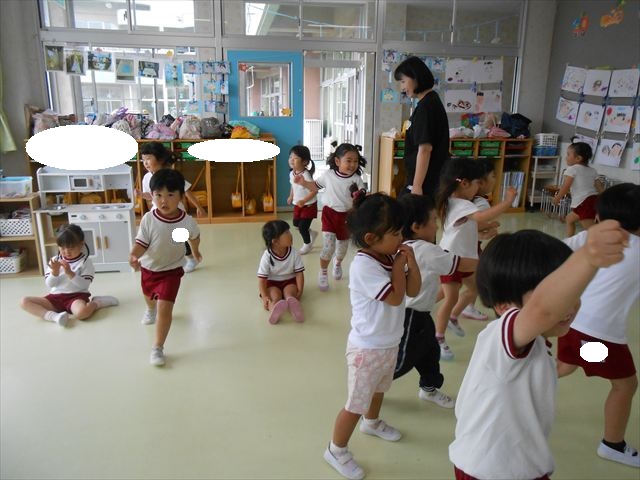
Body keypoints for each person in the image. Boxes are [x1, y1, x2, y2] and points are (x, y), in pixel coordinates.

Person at [449, 221, 629, 480]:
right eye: (558, 296)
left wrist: (592, 354)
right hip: (493, 471)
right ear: (505, 307)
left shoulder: (533, 343)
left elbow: (549, 365)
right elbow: (544, 311)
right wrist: (587, 258)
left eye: (571, 295)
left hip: (506, 464)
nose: (568, 305)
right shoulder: (501, 337)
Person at [323, 192, 421, 480]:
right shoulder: (364, 266)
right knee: (355, 403)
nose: (402, 238)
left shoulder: (389, 255)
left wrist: (411, 263)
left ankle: (372, 422)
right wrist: (400, 266)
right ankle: (336, 449)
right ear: (370, 238)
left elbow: (413, 290)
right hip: (367, 349)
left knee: (379, 390)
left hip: (388, 343)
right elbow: (395, 297)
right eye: (396, 233)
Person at [557, 183, 640, 468]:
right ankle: (612, 445)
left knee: (566, 365)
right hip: (599, 340)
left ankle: (519, 389)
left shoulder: (591, 236)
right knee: (625, 384)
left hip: (570, 325)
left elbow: (556, 251)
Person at [395, 194, 476, 408]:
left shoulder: (406, 245)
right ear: (416, 226)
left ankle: (429, 389)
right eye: (433, 220)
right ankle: (370, 384)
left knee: (430, 352)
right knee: (402, 360)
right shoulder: (424, 250)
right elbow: (462, 265)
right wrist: (492, 260)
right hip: (410, 316)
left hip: (421, 314)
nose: (437, 225)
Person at [435, 157, 516, 360]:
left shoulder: (455, 202)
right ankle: (439, 338)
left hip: (464, 258)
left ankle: (452, 316)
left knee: (474, 288)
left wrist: (487, 230)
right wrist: (508, 202)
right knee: (450, 297)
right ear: (464, 183)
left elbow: (472, 227)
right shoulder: (459, 203)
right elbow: (481, 218)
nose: (478, 188)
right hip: (451, 259)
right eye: (477, 183)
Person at [129, 169, 202, 367]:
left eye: (170, 195)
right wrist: (134, 255)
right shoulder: (149, 219)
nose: (164, 200)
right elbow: (142, 243)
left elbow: (194, 237)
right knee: (149, 297)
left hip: (172, 270)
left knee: (165, 308)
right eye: (158, 195)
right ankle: (149, 308)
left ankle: (157, 347)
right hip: (149, 268)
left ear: (180, 196)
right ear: (152, 196)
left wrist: (195, 252)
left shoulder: (186, 221)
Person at [294, 143, 366, 291]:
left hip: (347, 217)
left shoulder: (357, 179)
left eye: (355, 161)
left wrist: (360, 196)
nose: (353, 164)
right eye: (348, 160)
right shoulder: (329, 175)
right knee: (329, 247)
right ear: (338, 161)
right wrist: (304, 182)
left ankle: (337, 263)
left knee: (342, 250)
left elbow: (362, 196)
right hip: (329, 215)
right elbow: (315, 187)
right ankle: (323, 271)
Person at [20, 224, 118, 326]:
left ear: (81, 244)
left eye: (71, 248)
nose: (66, 252)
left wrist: (70, 273)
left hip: (76, 297)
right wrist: (55, 272)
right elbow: (50, 284)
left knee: (82, 313)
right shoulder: (54, 260)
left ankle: (96, 303)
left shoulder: (85, 262)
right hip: (55, 297)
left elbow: (84, 285)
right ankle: (54, 317)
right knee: (24, 301)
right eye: (62, 248)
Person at [139, 141, 205, 273]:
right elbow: (151, 197)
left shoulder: (170, 175)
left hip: (175, 211)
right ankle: (166, 259)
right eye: (143, 159)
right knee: (161, 237)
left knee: (179, 237)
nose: (145, 163)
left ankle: (191, 258)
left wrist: (199, 207)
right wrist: (141, 195)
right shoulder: (147, 178)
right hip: (158, 212)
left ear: (159, 159)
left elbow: (186, 191)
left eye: (148, 159)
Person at [394, 56, 449, 198]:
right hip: (428, 181)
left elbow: (425, 149)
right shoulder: (431, 101)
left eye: (403, 81)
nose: (402, 88)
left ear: (416, 78)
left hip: (424, 184)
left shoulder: (426, 107)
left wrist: (417, 186)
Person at [455, 157, 501, 322]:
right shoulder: (481, 203)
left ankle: (467, 308)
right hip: (469, 250)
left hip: (465, 248)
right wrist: (491, 226)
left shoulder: (465, 200)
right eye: (493, 176)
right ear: (481, 182)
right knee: (476, 283)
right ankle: (456, 312)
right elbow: (476, 225)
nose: (495, 180)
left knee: (457, 282)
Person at [257, 220, 305, 324]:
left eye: (289, 231)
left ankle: (294, 308)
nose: (290, 234)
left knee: (290, 294)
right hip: (272, 283)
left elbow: (299, 273)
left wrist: (300, 290)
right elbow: (262, 279)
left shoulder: (294, 253)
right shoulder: (267, 256)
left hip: (289, 281)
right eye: (286, 232)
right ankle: (273, 310)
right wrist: (265, 296)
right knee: (275, 297)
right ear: (275, 241)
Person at [553, 141, 599, 237]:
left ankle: (603, 243)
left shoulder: (572, 169)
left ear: (578, 158)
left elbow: (566, 186)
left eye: (568, 154)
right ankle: (569, 241)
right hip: (593, 200)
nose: (566, 157)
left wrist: (557, 198)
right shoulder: (592, 170)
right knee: (569, 219)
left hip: (584, 202)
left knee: (591, 230)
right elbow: (600, 187)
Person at [287, 145, 318, 255]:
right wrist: (291, 196)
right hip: (298, 204)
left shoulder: (306, 175)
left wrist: (304, 201)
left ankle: (307, 245)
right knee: (296, 224)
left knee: (302, 227)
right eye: (290, 157)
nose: (292, 160)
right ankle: (312, 233)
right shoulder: (292, 173)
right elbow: (293, 186)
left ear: (305, 162)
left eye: (295, 158)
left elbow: (314, 191)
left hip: (309, 205)